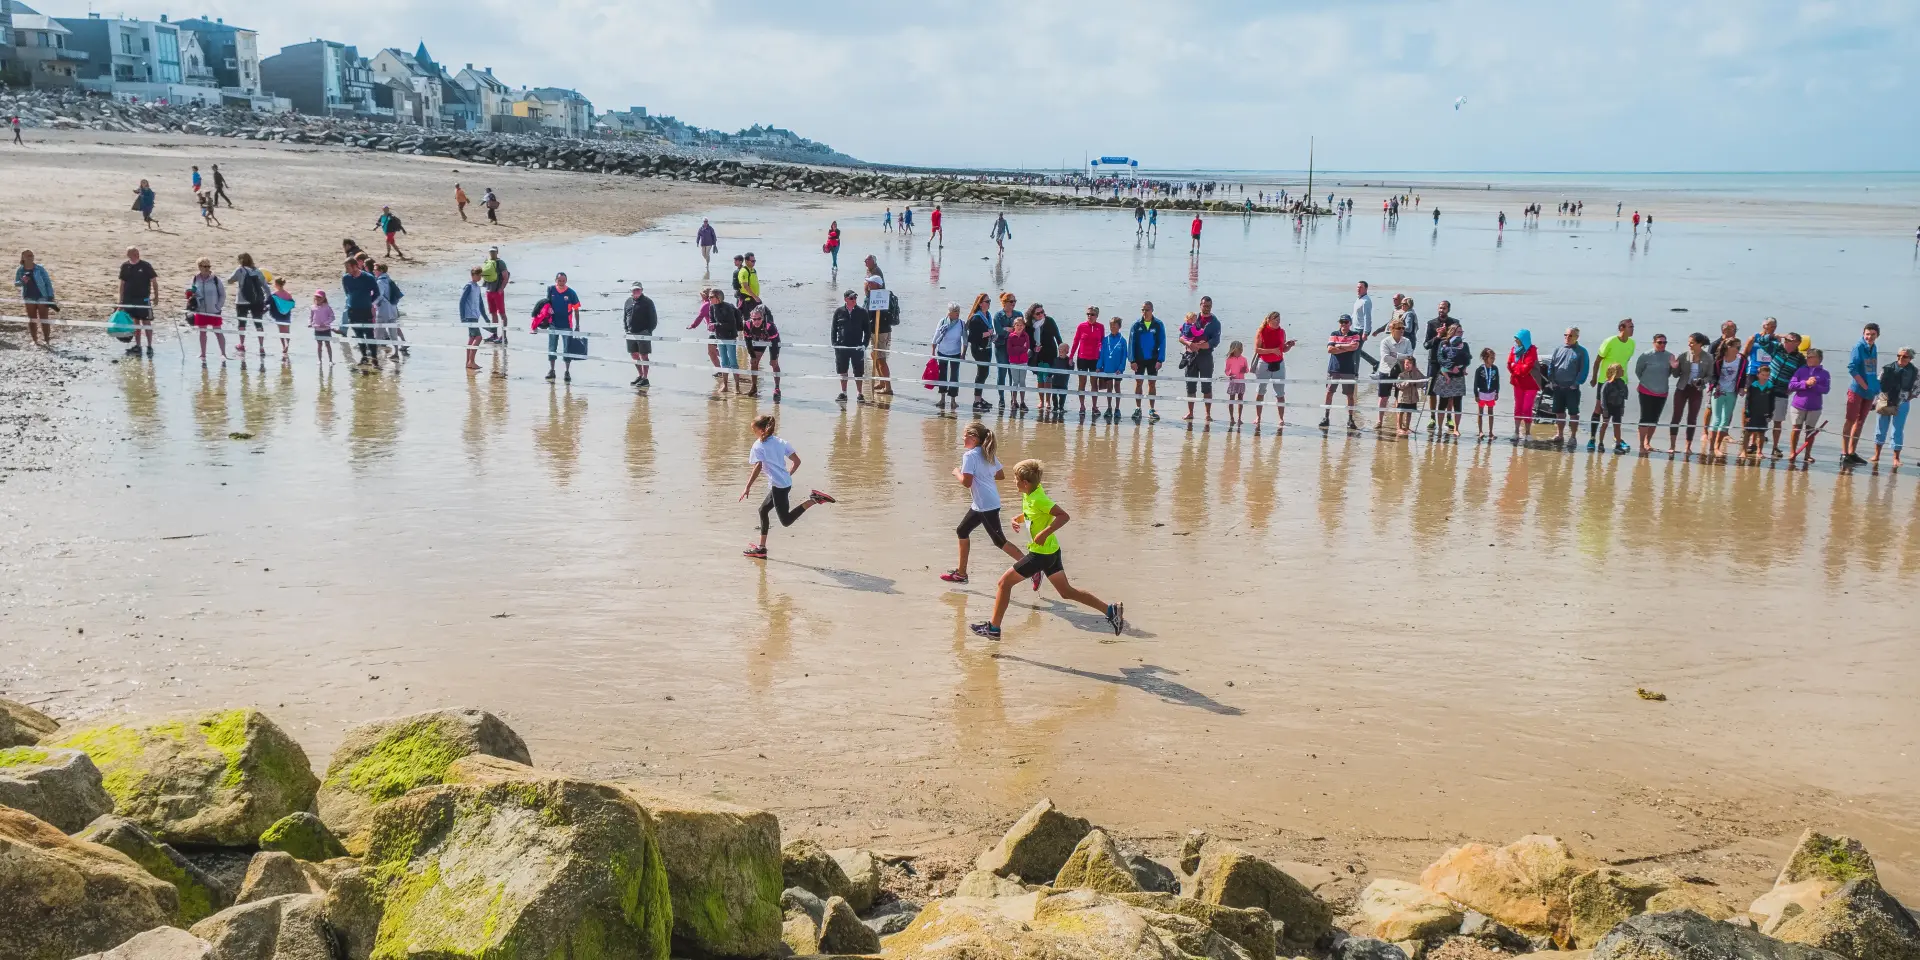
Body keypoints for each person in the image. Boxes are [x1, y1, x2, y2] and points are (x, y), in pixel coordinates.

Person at [968, 459, 1124, 640]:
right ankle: (1110, 610)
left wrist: (1045, 532)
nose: (1014, 481)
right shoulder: (1031, 493)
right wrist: (1017, 519)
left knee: (1004, 583)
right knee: (1066, 592)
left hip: (1040, 554)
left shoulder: (1039, 498)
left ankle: (993, 628)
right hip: (1051, 551)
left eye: (1016, 479)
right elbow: (1033, 512)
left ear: (1025, 483)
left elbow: (1063, 516)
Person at [740, 415, 834, 559]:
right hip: (784, 483)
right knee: (763, 510)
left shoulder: (758, 446)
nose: (753, 432)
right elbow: (797, 461)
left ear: (760, 430)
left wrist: (747, 487)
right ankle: (761, 548)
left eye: (753, 430)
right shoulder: (780, 442)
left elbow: (758, 466)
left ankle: (814, 499)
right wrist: (786, 475)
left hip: (779, 487)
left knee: (786, 521)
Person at [942, 423, 1025, 583]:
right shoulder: (987, 452)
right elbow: (1000, 475)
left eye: (965, 435)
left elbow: (966, 483)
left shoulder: (969, 456)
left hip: (985, 504)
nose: (962, 438)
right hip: (983, 502)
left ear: (973, 437)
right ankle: (961, 573)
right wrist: (982, 476)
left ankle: (1031, 566)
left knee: (999, 541)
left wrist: (957, 472)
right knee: (962, 530)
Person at [1588, 318, 1636, 448]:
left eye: (1633, 327)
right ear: (1621, 328)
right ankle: (1593, 438)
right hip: (1605, 380)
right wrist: (1594, 377)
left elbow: (1625, 362)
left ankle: (1617, 439)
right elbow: (1598, 361)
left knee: (1617, 411)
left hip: (1621, 381)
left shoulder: (1632, 343)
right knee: (1599, 408)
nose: (1632, 329)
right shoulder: (1609, 341)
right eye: (1630, 327)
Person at [1841, 323, 1881, 465]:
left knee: (1860, 422)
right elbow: (1852, 369)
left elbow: (1871, 369)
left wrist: (1875, 388)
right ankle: (1844, 453)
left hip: (1869, 392)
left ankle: (1852, 452)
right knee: (1850, 420)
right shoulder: (1858, 347)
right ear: (1863, 334)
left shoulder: (1874, 347)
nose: (1869, 337)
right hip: (1857, 389)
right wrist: (1864, 386)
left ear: (1877, 335)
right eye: (1867, 334)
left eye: (1873, 334)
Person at [1872, 348, 1917, 467]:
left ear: (1910, 358)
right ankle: (1876, 455)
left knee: (1897, 430)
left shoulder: (1915, 371)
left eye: (1905, 357)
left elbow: (1918, 386)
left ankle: (1896, 458)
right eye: (1899, 356)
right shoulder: (1887, 368)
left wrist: (1910, 397)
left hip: (1902, 402)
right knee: (1880, 428)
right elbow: (1877, 383)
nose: (1901, 358)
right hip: (1885, 401)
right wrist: (1875, 400)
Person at [1544, 328, 1590, 445]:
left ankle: (1573, 437)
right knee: (1559, 412)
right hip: (1558, 387)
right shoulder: (1558, 349)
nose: (1567, 338)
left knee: (1573, 413)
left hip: (1572, 389)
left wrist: (1576, 384)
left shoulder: (1581, 352)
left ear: (1576, 337)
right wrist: (1552, 381)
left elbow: (1584, 370)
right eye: (1565, 335)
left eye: (1570, 336)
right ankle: (1560, 434)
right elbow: (1552, 366)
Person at [1669, 333, 1712, 454]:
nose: (1689, 344)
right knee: (1676, 416)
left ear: (1700, 344)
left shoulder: (1708, 357)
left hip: (1696, 390)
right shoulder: (1683, 356)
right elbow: (1676, 374)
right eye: (1689, 342)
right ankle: (1672, 446)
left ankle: (1688, 447)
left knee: (1692, 419)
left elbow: (1710, 376)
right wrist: (1673, 367)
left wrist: (1702, 381)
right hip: (1682, 388)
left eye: (1692, 342)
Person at [1632, 333, 1676, 453]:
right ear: (1654, 343)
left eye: (1664, 342)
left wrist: (1675, 366)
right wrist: (1646, 381)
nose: (1662, 345)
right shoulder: (1646, 355)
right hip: (1646, 389)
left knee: (1654, 419)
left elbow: (1672, 373)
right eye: (1659, 342)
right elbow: (1638, 371)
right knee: (1645, 417)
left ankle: (1647, 443)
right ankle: (1641, 445)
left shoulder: (1670, 356)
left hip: (1662, 391)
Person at [1765, 333, 1806, 458]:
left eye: (1791, 340)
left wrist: (1792, 388)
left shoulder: (1799, 359)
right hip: (1766, 389)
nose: (1787, 342)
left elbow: (1801, 376)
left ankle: (1775, 447)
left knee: (1778, 422)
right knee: (1762, 419)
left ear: (1798, 343)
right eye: (1786, 340)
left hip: (1782, 392)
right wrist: (1775, 336)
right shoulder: (1777, 348)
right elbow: (1762, 341)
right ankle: (1754, 445)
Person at [1320, 313, 1364, 430]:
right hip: (1334, 368)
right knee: (1329, 392)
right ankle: (1326, 417)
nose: (1344, 324)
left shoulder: (1355, 334)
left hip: (1348, 369)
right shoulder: (1334, 334)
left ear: (1350, 323)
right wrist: (1346, 346)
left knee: (1350, 395)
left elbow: (1354, 347)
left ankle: (1350, 419)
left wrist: (1339, 346)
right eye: (1342, 322)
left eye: (1346, 322)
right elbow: (1330, 349)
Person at [1180, 299, 1222, 422]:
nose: (1207, 308)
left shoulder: (1215, 323)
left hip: (1206, 357)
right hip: (1190, 356)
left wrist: (1199, 346)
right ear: (1200, 305)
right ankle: (1190, 412)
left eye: (1209, 306)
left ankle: (1208, 414)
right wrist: (1189, 343)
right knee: (1190, 386)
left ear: (1212, 306)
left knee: (1206, 387)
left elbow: (1215, 341)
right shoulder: (1192, 318)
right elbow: (1181, 336)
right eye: (1205, 305)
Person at [1251, 310, 1294, 428]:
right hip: (1264, 363)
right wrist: (1272, 350)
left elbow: (1282, 349)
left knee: (1280, 393)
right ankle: (1258, 417)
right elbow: (1257, 350)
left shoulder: (1282, 332)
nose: (1278, 322)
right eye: (1276, 319)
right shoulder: (1262, 332)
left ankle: (1281, 419)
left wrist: (1288, 346)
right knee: (1260, 391)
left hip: (1279, 364)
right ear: (1269, 320)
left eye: (1279, 320)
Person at [1787, 348, 1830, 464]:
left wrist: (1814, 385)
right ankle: (1792, 452)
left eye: (1811, 357)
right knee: (1796, 429)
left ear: (1819, 359)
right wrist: (1805, 383)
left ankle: (1807, 455)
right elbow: (1791, 385)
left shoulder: (1825, 373)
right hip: (1798, 405)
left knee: (1810, 431)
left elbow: (1826, 390)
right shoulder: (1801, 370)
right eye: (1808, 356)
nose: (1808, 359)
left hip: (1815, 407)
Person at [1374, 318, 1417, 430]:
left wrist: (1397, 355)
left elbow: (1410, 355)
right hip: (1386, 371)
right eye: (1399, 328)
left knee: (1400, 397)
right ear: (1392, 329)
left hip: (1401, 372)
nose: (1402, 330)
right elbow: (1385, 357)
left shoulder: (1407, 341)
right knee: (1383, 397)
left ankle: (1399, 423)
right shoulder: (1385, 341)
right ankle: (1379, 421)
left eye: (1403, 328)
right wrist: (1402, 356)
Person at [116, 247, 158, 357]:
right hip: (129, 299)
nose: (137, 255)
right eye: (134, 253)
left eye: (137, 253)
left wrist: (156, 296)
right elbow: (122, 284)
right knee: (135, 323)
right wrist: (120, 300)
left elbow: (154, 281)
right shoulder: (125, 266)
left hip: (143, 299)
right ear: (129, 255)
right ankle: (138, 345)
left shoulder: (146, 266)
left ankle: (149, 346)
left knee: (146, 322)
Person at [830, 290, 871, 403]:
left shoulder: (862, 312)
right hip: (842, 346)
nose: (854, 300)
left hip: (857, 347)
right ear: (846, 299)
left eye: (855, 298)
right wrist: (834, 344)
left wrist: (864, 344)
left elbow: (867, 331)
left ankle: (859, 393)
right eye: (851, 298)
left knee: (858, 371)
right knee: (842, 370)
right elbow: (833, 329)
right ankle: (844, 393)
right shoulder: (839, 311)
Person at [227, 253, 270, 359]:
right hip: (257, 302)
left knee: (242, 323)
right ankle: (261, 347)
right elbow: (265, 287)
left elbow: (230, 280)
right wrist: (267, 300)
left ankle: (241, 344)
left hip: (242, 301)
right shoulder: (258, 271)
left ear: (240, 261)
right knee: (258, 324)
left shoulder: (240, 270)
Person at [1130, 301, 1167, 421]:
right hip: (1139, 359)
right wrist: (1132, 360)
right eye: (1143, 310)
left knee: (1152, 383)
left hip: (1153, 359)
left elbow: (1162, 342)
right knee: (1139, 383)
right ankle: (1138, 408)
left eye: (1147, 310)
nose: (1145, 312)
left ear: (1152, 310)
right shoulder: (1136, 324)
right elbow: (1131, 343)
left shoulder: (1158, 324)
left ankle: (1152, 409)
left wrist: (1160, 359)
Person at [542, 273, 582, 383]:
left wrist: (577, 325)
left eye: (563, 281)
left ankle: (567, 371)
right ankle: (552, 370)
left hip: (566, 326)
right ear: (556, 280)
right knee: (552, 348)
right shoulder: (551, 290)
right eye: (559, 280)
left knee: (567, 350)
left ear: (566, 281)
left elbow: (576, 309)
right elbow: (546, 304)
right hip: (553, 324)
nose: (561, 282)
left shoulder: (571, 293)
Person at [1707, 338, 1743, 458]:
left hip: (1732, 392)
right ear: (1728, 347)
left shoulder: (1741, 359)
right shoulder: (1718, 359)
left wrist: (1742, 387)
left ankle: (1717, 447)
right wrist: (1715, 385)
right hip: (1718, 392)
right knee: (1716, 419)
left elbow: (1743, 376)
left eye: (1739, 347)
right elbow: (1712, 376)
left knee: (1725, 419)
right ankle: (1711, 448)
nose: (1738, 349)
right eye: (1736, 347)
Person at [186, 257, 228, 362]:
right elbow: (192, 293)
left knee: (218, 332)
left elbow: (222, 295)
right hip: (201, 311)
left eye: (209, 266)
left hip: (214, 311)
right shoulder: (195, 279)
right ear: (199, 267)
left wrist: (218, 307)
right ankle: (203, 354)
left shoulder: (215, 279)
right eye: (205, 266)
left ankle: (223, 354)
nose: (207, 268)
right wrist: (191, 295)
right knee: (202, 333)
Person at [1433, 323, 1471, 438]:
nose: (1461, 334)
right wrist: (1450, 367)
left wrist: (1461, 366)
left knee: (1457, 403)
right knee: (1443, 403)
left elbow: (1468, 359)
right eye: (1459, 332)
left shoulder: (1464, 345)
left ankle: (1456, 428)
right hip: (1445, 377)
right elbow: (1440, 358)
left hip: (1458, 377)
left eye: (1462, 332)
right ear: (1453, 332)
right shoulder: (1443, 343)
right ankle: (1439, 428)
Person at [863, 256, 893, 395]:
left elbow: (875, 315)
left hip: (880, 330)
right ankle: (881, 381)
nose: (868, 285)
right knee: (875, 355)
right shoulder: (874, 295)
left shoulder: (879, 297)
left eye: (870, 283)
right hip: (877, 330)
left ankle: (888, 387)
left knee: (880, 358)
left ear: (877, 285)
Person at [13, 250, 56, 348]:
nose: (30, 257)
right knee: (32, 319)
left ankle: (47, 340)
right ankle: (35, 340)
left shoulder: (40, 268)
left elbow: (47, 282)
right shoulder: (20, 270)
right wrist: (23, 280)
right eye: (28, 256)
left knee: (44, 318)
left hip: (42, 296)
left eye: (32, 255)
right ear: (23, 257)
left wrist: (50, 295)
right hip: (29, 297)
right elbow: (16, 284)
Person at [1031, 303, 1066, 418]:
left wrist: (1062, 350)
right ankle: (1041, 400)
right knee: (1040, 377)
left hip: (1050, 352)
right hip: (1038, 354)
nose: (1041, 315)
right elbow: (1029, 339)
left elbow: (1057, 336)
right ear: (1033, 315)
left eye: (1042, 312)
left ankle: (1048, 401)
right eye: (1038, 313)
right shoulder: (1030, 324)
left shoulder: (1049, 321)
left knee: (1048, 378)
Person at [743, 303, 782, 400]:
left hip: (772, 341)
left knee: (774, 364)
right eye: (754, 319)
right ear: (751, 318)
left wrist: (773, 358)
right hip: (759, 338)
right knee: (754, 362)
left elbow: (775, 344)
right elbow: (747, 341)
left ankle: (777, 388)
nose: (756, 321)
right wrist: (752, 355)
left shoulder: (770, 326)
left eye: (759, 319)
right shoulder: (747, 324)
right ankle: (754, 386)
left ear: (763, 318)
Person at [1071, 306, 1105, 416]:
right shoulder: (1081, 326)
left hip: (1095, 359)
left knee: (1094, 383)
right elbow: (1076, 341)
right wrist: (1071, 356)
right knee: (1082, 382)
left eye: (1092, 314)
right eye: (1088, 314)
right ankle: (1082, 406)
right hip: (1082, 358)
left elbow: (1103, 343)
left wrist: (1102, 359)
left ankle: (1094, 406)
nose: (1090, 316)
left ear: (1097, 316)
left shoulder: (1100, 327)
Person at [1506, 330, 1539, 443]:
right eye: (1515, 338)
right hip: (1518, 383)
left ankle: (1528, 433)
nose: (1515, 341)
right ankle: (1516, 432)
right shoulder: (1514, 349)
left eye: (1518, 339)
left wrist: (1516, 367)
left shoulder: (1532, 350)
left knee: (1527, 408)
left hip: (1530, 384)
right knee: (1518, 407)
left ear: (1524, 340)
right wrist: (1516, 368)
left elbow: (1528, 366)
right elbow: (1509, 364)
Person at [622, 282, 658, 387]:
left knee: (644, 355)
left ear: (642, 290)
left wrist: (649, 331)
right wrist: (626, 329)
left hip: (643, 332)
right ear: (631, 291)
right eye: (634, 290)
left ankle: (645, 378)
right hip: (630, 333)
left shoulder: (648, 302)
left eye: (638, 290)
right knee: (634, 354)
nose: (636, 291)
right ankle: (640, 375)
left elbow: (653, 319)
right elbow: (625, 317)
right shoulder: (628, 301)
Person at [372, 262, 406, 364]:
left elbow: (380, 295)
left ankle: (375, 355)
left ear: (381, 271)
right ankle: (396, 353)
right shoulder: (389, 279)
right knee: (393, 331)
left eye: (375, 269)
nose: (374, 271)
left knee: (378, 331)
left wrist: (373, 303)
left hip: (383, 309)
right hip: (393, 308)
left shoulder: (380, 282)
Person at [966, 293, 995, 412]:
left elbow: (989, 330)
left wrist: (992, 336)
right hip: (979, 349)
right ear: (980, 303)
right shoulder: (976, 318)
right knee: (981, 373)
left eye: (989, 301)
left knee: (985, 373)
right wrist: (988, 333)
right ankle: (976, 400)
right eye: (987, 301)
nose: (989, 304)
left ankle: (980, 397)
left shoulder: (987, 315)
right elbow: (972, 337)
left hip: (987, 348)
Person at [992, 293, 1021, 410]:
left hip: (1014, 347)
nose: (1013, 304)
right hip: (1001, 346)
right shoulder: (998, 315)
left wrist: (1009, 330)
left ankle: (1013, 400)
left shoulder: (1018, 314)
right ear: (1005, 302)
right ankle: (1001, 399)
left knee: (1013, 373)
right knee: (1002, 371)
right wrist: (1009, 330)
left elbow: (1020, 329)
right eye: (1011, 301)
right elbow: (999, 331)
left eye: (1015, 301)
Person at [1742, 363, 1775, 458]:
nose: (1765, 377)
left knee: (1761, 433)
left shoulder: (1770, 387)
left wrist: (1770, 414)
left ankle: (1759, 451)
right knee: (1748, 432)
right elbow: (1747, 400)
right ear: (1758, 375)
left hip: (1764, 413)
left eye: (1767, 375)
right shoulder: (1753, 386)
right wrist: (1747, 414)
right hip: (1752, 413)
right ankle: (1744, 451)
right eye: (1762, 375)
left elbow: (1772, 402)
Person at [1098, 316, 1128, 419]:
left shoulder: (1123, 340)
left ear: (1119, 326)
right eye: (1111, 325)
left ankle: (1117, 409)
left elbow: (1124, 356)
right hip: (1108, 367)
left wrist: (1121, 368)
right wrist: (1099, 366)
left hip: (1118, 369)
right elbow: (1102, 354)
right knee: (1109, 387)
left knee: (1117, 387)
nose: (1112, 327)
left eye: (1114, 326)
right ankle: (1109, 407)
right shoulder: (1106, 339)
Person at [1596, 363, 1629, 454]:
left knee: (1617, 426)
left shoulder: (1622, 383)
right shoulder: (1607, 384)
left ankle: (1618, 444)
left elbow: (1623, 397)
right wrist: (1604, 409)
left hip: (1618, 407)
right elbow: (1602, 397)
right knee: (1605, 424)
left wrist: (1622, 408)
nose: (1622, 371)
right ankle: (1601, 443)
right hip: (1608, 407)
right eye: (1620, 370)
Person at [458, 267, 488, 370]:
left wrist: (486, 318)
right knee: (478, 337)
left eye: (481, 275)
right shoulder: (469, 286)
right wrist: (462, 317)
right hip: (469, 316)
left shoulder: (477, 287)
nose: (480, 277)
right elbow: (462, 302)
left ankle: (468, 362)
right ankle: (471, 361)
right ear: (473, 275)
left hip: (475, 316)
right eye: (479, 275)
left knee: (472, 338)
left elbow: (480, 303)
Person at [481, 246, 510, 344]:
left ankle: (504, 336)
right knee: (493, 313)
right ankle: (494, 334)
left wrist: (501, 288)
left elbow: (506, 276)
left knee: (502, 314)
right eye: (491, 252)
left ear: (497, 252)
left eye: (493, 252)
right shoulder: (488, 262)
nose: (492, 253)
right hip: (489, 291)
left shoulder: (500, 263)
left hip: (498, 292)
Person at [1392, 356, 1425, 436]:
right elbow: (1398, 385)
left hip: (1412, 398)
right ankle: (1399, 427)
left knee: (1410, 412)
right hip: (1403, 398)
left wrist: (1417, 371)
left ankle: (1407, 427)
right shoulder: (1401, 375)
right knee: (1401, 412)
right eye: (1406, 364)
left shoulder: (1416, 374)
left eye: (1409, 364)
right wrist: (1408, 383)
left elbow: (1422, 381)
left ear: (1413, 365)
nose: (1407, 366)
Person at [1473, 347, 1501, 439]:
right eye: (1491, 358)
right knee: (1480, 413)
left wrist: (1497, 392)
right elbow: (1475, 383)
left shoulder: (1495, 369)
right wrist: (1476, 394)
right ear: (1485, 358)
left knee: (1491, 412)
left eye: (1494, 358)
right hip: (1482, 394)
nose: (1493, 360)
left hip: (1491, 393)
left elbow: (1497, 381)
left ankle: (1491, 432)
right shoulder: (1479, 369)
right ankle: (1480, 431)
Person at [1006, 316, 1032, 413]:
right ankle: (1014, 401)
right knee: (1015, 381)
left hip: (1023, 360)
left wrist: (1017, 348)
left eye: (1021, 325)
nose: (1019, 327)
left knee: (1022, 381)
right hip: (1013, 361)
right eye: (1017, 325)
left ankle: (1022, 402)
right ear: (1014, 326)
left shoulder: (1025, 336)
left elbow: (1027, 348)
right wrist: (1020, 348)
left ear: (1024, 326)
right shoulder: (1011, 336)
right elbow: (1010, 351)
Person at [1352, 280, 1378, 372]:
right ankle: (1374, 363)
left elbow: (1367, 317)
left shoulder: (1366, 301)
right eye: (1357, 287)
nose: (1358, 289)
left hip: (1362, 329)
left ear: (1366, 289)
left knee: (1355, 351)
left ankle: (1355, 373)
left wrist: (1365, 332)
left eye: (1361, 287)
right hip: (1355, 328)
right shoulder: (1359, 299)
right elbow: (1355, 314)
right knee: (1355, 349)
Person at [1223, 341, 1249, 427]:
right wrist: (1229, 374)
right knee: (1231, 399)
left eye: (1241, 349)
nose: (1240, 351)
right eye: (1238, 350)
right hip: (1233, 381)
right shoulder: (1229, 359)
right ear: (1233, 350)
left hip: (1241, 381)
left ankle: (1239, 418)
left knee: (1240, 399)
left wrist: (1244, 370)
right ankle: (1231, 418)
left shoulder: (1244, 359)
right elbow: (1226, 371)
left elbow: (1247, 370)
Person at [267, 276, 295, 359]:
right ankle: (287, 345)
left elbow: (267, 303)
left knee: (281, 332)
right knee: (287, 331)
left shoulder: (274, 295)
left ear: (276, 284)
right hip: (287, 315)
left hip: (278, 315)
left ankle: (283, 346)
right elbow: (292, 304)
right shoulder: (288, 294)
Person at [308, 290, 335, 364]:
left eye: (319, 297)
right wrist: (310, 323)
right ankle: (319, 360)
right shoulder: (312, 307)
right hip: (317, 329)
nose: (317, 298)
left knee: (327, 344)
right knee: (319, 345)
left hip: (326, 329)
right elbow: (310, 317)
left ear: (323, 298)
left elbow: (332, 317)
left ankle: (330, 360)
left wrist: (325, 323)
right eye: (316, 297)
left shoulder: (327, 307)